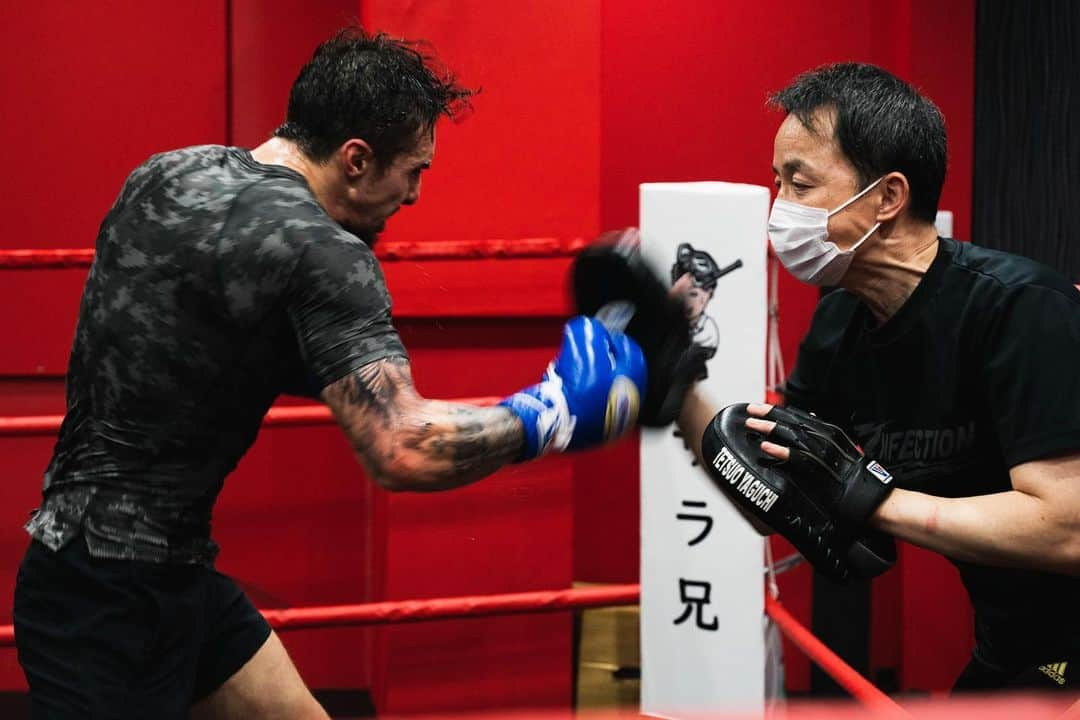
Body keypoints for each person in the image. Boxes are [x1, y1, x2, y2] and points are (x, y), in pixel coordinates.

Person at [12, 28, 673, 719]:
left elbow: (198, 345)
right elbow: (403, 448)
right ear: (356, 159)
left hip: (140, 573)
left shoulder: (163, 175)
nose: (414, 195)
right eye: (413, 170)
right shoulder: (323, 252)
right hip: (113, 607)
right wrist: (554, 411)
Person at [738, 62, 1079, 691]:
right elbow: (779, 493)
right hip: (1013, 643)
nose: (779, 208)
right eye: (776, 183)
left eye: (799, 183)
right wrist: (678, 389)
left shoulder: (1021, 308)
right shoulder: (843, 320)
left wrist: (876, 502)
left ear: (888, 198)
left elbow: (1067, 527)